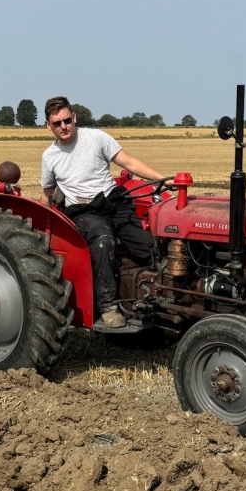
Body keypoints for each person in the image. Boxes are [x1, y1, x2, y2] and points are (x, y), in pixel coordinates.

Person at [40, 96, 168, 328]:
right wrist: (39, 225)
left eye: (67, 120)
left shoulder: (96, 138)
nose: (64, 127)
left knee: (148, 246)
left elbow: (129, 162)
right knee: (103, 239)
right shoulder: (50, 157)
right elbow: (48, 193)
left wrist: (163, 180)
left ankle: (152, 295)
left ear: (74, 117)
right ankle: (108, 306)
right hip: (83, 211)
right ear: (49, 126)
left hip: (112, 202)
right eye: (57, 123)